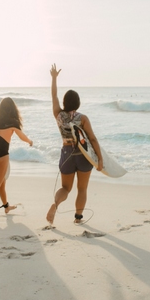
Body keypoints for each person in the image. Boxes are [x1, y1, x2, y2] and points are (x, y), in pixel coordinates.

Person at [46, 64, 103, 225]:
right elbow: (92, 139)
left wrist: (54, 78)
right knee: (82, 188)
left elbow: (53, 96)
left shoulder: (58, 115)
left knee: (66, 188)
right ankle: (78, 218)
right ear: (78, 103)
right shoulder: (82, 117)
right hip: (83, 155)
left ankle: (55, 205)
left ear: (65, 102)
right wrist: (100, 159)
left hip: (66, 154)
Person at [0, 97, 33, 218]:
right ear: (12, 109)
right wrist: (30, 141)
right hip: (1, 156)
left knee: (1, 182)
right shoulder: (13, 122)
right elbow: (22, 136)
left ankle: (6, 206)